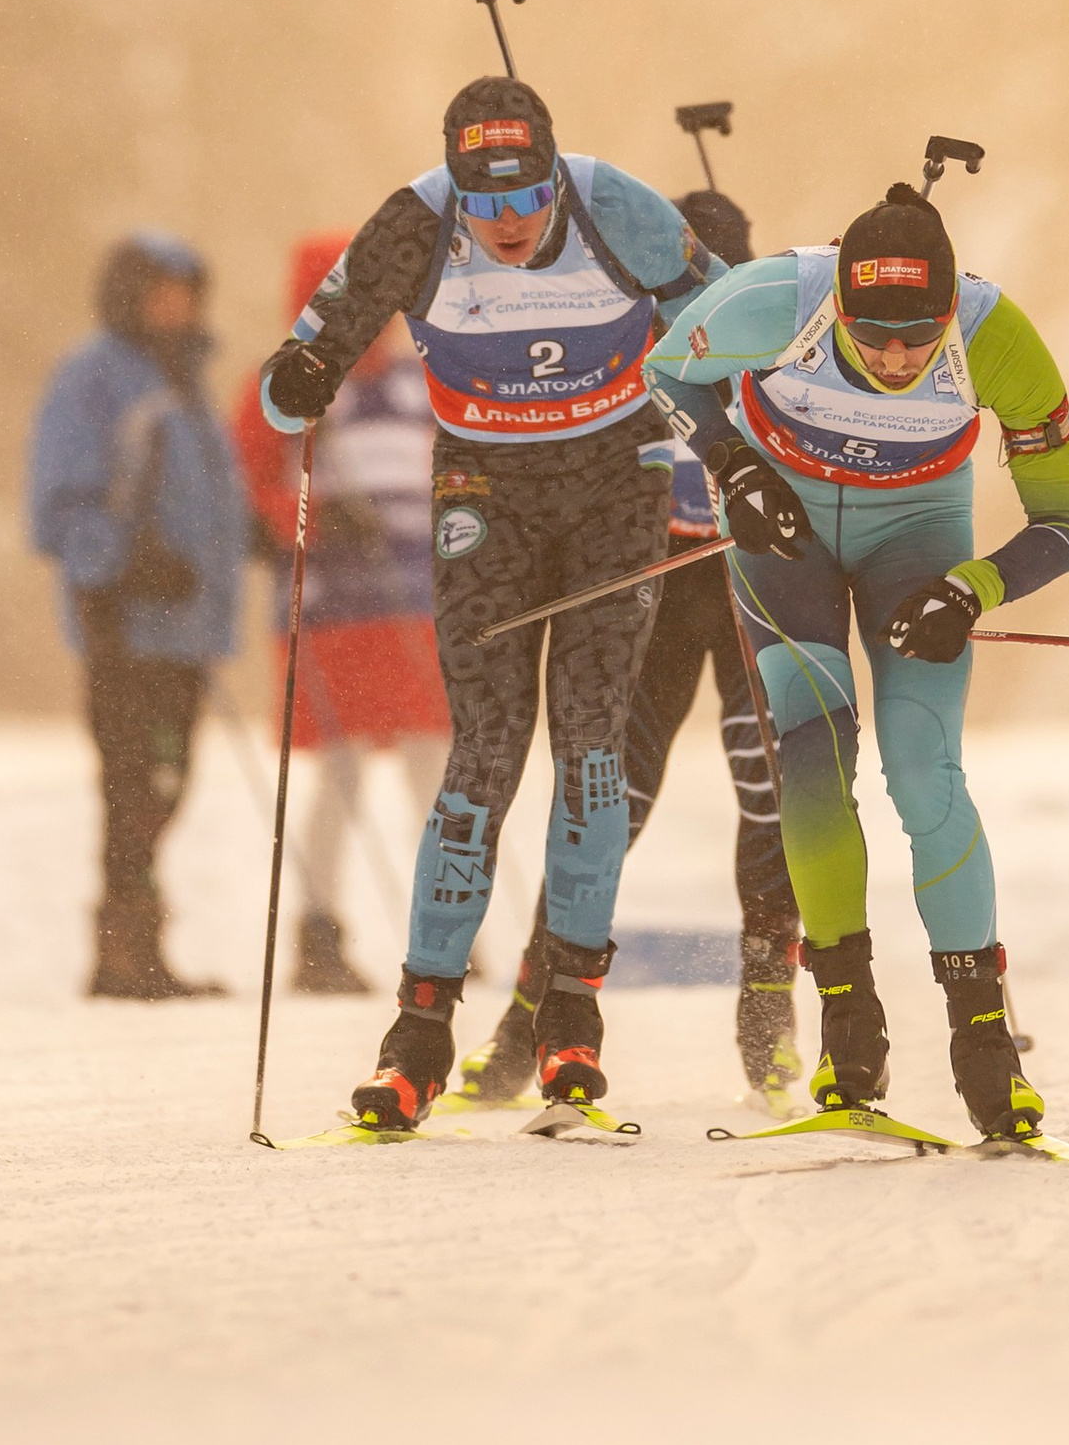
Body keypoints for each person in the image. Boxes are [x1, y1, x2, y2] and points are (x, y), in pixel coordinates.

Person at [256, 71, 722, 1129]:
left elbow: (730, 316)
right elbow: (309, 353)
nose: (508, 220)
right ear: (455, 185)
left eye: (527, 195)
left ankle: (571, 1015)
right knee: (484, 750)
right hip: (486, 490)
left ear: (556, 173)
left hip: (616, 487)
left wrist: (748, 420)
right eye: (486, 200)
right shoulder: (416, 220)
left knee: (591, 743)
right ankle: (419, 1032)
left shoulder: (615, 205)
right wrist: (301, 377)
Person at [642, 173, 1069, 1142]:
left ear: (951, 309)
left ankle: (984, 1043)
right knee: (813, 761)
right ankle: (849, 1021)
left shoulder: (995, 339)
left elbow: (1067, 523)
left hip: (916, 538)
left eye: (918, 337)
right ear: (837, 303)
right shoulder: (776, 298)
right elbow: (666, 369)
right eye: (871, 334)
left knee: (924, 769)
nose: (894, 357)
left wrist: (972, 589)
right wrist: (734, 468)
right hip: (785, 532)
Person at [460, 176, 804, 1106]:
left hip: (748, 587)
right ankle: (529, 1022)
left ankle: (769, 1011)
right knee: (609, 799)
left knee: (772, 790)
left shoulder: (771, 336)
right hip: (654, 587)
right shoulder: (609, 334)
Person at [27, 233, 249, 1000]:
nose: (175, 308)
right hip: (123, 625)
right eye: (160, 293)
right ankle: (124, 949)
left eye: (186, 295)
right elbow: (60, 496)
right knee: (134, 785)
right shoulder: (93, 376)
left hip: (189, 628)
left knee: (169, 781)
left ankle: (141, 943)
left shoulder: (185, 382)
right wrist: (122, 566)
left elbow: (209, 495)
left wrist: (256, 535)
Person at [233, 236, 448, 996]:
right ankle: (318, 932)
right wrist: (315, 522)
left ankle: (451, 926)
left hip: (419, 606)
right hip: (332, 611)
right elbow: (249, 485)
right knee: (344, 770)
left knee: (437, 763)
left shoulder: (424, 380)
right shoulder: (288, 386)